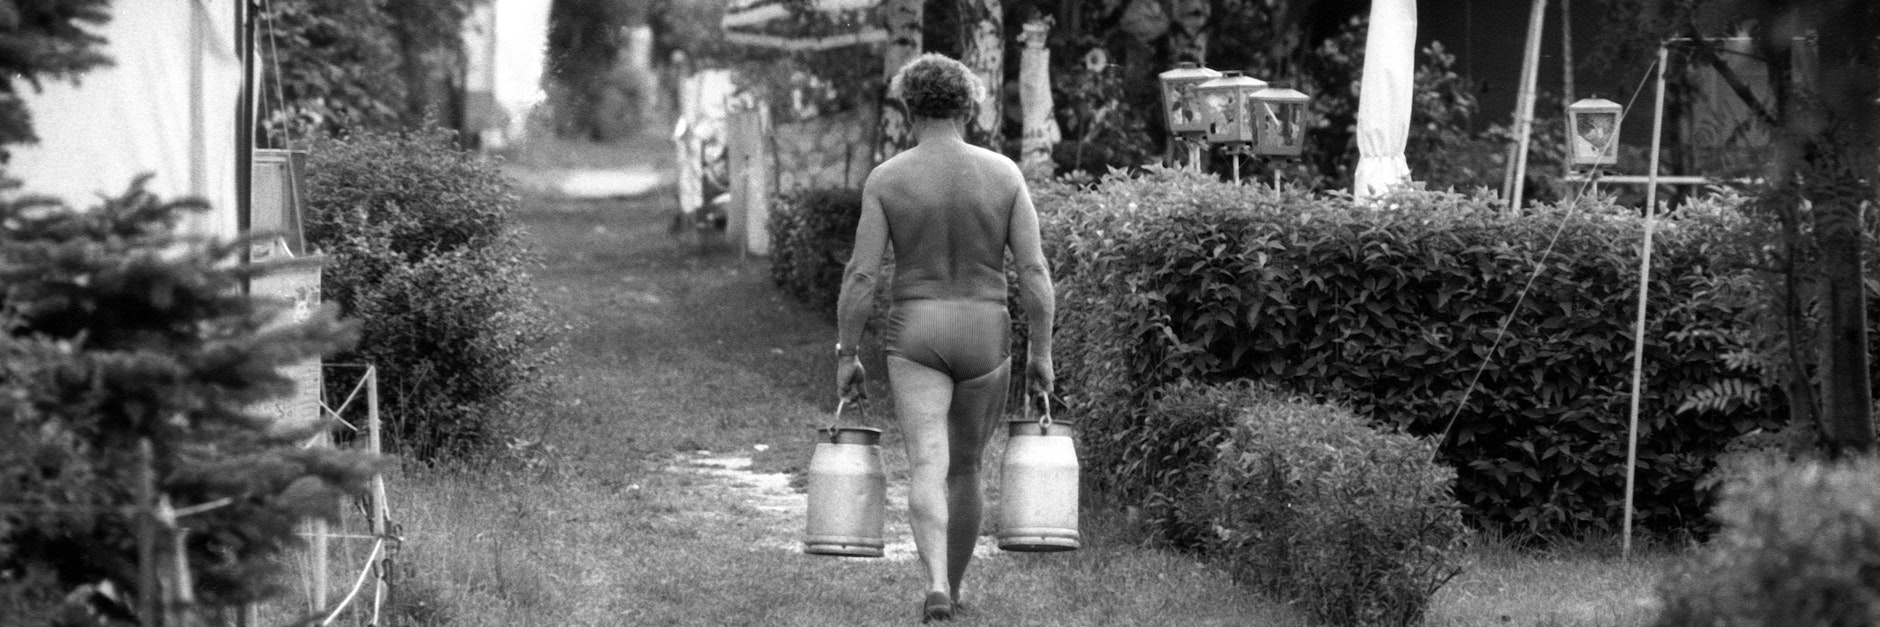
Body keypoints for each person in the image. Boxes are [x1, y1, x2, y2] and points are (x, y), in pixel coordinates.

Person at [833, 53, 1055, 623]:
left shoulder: (888, 178)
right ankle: (953, 590)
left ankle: (933, 583)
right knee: (967, 469)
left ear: (908, 107)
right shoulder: (1003, 174)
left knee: (928, 463)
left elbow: (861, 275)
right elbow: (1033, 273)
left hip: (918, 329)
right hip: (985, 327)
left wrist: (847, 352)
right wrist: (1043, 353)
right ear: (970, 105)